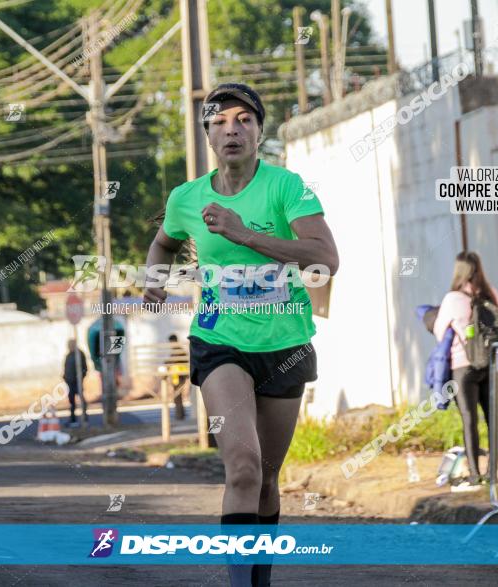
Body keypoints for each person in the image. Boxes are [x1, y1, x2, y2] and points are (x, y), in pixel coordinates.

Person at [142, 83, 338, 587]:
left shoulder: (286, 187)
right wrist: (154, 282)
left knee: (269, 479)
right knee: (244, 466)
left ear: (259, 131)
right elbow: (162, 244)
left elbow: (325, 259)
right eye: (220, 120)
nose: (232, 128)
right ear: (207, 133)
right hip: (219, 342)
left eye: (244, 119)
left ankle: (259, 579)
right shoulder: (186, 198)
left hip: (285, 345)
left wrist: (242, 233)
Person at [433, 251, 498, 492]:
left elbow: (439, 331)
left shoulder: (452, 299)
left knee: (469, 419)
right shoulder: (490, 294)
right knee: (493, 417)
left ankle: (475, 474)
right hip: (491, 364)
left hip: (464, 367)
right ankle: (492, 472)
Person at [62, 339, 88, 426]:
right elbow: (66, 367)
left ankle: (85, 418)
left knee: (81, 399)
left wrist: (80, 378)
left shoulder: (79, 354)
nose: (69, 347)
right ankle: (73, 419)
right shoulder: (69, 355)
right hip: (69, 382)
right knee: (71, 401)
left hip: (77, 381)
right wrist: (65, 377)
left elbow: (84, 368)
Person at [166, 334, 187, 420]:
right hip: (177, 375)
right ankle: (180, 414)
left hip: (179, 375)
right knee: (177, 397)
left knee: (177, 396)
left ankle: (180, 415)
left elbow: (173, 361)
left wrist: (167, 365)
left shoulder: (178, 350)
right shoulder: (177, 350)